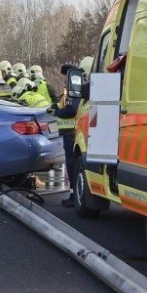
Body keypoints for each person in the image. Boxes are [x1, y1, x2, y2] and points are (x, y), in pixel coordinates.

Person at [54, 56, 92, 207]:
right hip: (74, 131)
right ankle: (75, 194)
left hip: (72, 132)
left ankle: (73, 194)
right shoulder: (88, 87)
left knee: (72, 164)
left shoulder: (79, 90)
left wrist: (56, 111)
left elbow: (71, 109)